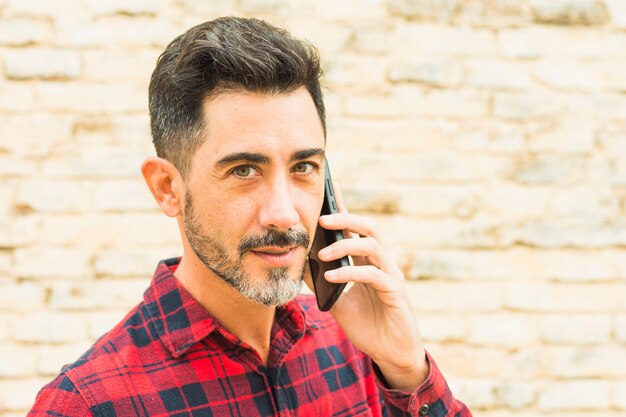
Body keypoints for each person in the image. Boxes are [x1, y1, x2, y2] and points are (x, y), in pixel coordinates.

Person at [28, 17, 471, 417]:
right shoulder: (85, 404)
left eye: (303, 168)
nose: (283, 214)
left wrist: (408, 372)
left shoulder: (354, 346)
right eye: (244, 170)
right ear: (167, 188)